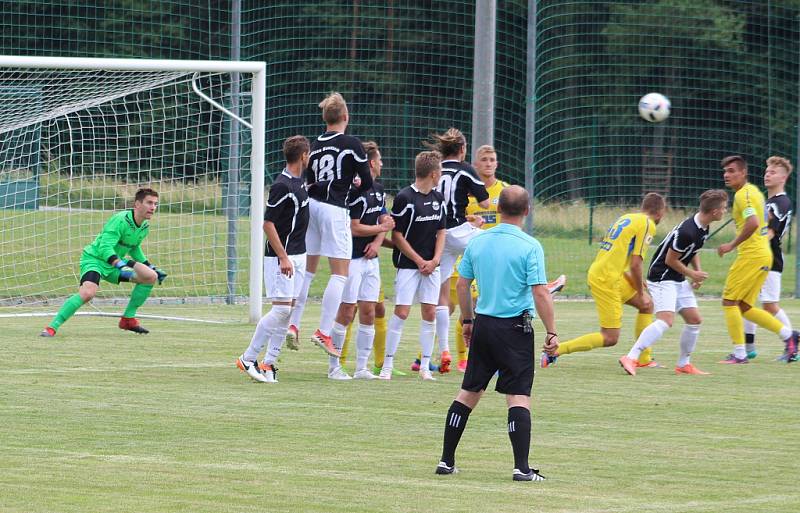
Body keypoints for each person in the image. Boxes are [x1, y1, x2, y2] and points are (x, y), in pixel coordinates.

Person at [435, 185, 556, 482]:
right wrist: (552, 331)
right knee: (518, 396)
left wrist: (467, 320)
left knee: (469, 392)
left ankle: (446, 461)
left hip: (484, 325)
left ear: (499, 209)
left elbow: (462, 285)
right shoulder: (530, 246)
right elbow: (540, 292)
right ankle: (522, 468)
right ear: (527, 212)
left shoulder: (478, 241)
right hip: (515, 328)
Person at [287, 93, 373, 357]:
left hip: (311, 207)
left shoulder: (315, 145)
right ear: (345, 117)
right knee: (339, 273)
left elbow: (309, 179)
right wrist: (356, 185)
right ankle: (324, 331)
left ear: (326, 118)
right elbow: (367, 181)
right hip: (335, 209)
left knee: (309, 270)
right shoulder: (351, 143)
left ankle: (292, 324)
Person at [543, 193, 666, 366]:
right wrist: (640, 291)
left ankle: (644, 359)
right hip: (607, 279)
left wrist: (637, 284)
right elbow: (636, 264)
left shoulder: (628, 218)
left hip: (610, 274)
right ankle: (556, 351)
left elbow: (620, 256)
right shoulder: (648, 224)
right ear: (661, 212)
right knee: (610, 337)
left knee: (646, 305)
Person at [619, 190, 728, 376]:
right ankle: (631, 356)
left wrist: (696, 273)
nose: (726, 211)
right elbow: (670, 260)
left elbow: (694, 250)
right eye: (724, 208)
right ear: (715, 211)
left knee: (694, 320)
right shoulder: (687, 231)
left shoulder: (703, 225)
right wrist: (692, 273)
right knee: (665, 321)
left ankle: (684, 364)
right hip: (662, 277)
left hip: (677, 277)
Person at [40, 188, 165, 337]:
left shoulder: (144, 226)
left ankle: (128, 319)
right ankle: (52, 327)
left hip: (116, 263)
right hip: (95, 259)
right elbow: (104, 247)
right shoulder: (120, 220)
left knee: (150, 276)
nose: (153, 207)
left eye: (155, 204)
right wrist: (119, 265)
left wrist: (150, 265)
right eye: (149, 203)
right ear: (137, 204)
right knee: (88, 293)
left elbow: (134, 248)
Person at [236, 136, 310, 383]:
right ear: (303, 156)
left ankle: (269, 363)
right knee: (280, 310)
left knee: (287, 312)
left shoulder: (300, 183)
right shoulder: (282, 185)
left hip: (300, 255)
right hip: (282, 258)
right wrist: (283, 257)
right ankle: (248, 357)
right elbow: (268, 224)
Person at [716, 155, 798, 364]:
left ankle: (740, 353)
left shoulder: (746, 195)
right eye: (725, 171)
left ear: (743, 173)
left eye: (732, 171)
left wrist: (731, 244)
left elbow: (753, 223)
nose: (727, 175)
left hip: (753, 254)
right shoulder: (755, 193)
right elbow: (762, 220)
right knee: (744, 305)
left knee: (730, 301)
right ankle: (788, 336)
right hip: (763, 254)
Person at [326, 141, 394, 380]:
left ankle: (362, 368)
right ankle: (334, 367)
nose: (382, 163)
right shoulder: (355, 191)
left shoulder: (379, 189)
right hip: (351, 259)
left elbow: (385, 220)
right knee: (346, 311)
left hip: (371, 261)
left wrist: (377, 242)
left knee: (369, 310)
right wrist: (379, 227)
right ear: (372, 163)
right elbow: (354, 228)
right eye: (380, 160)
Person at [379, 151, 446, 380]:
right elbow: (396, 234)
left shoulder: (438, 199)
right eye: (441, 173)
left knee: (430, 312)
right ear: (434, 174)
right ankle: (387, 365)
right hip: (409, 265)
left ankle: (426, 367)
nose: (441, 177)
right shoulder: (405, 197)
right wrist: (418, 261)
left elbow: (441, 230)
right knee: (402, 311)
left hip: (431, 266)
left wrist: (435, 260)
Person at [427, 128, 490, 374]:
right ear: (463, 149)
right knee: (496, 243)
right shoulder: (465, 169)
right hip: (459, 231)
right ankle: (533, 283)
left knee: (441, 294)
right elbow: (485, 201)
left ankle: (444, 352)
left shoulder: (436, 168)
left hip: (439, 234)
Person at [743, 156, 794, 360]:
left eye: (772, 172)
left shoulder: (780, 202)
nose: (767, 175)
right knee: (745, 301)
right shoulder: (770, 202)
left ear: (783, 178)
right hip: (760, 257)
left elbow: (769, 233)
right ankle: (748, 348)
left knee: (769, 305)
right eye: (766, 172)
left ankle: (792, 344)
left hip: (769, 258)